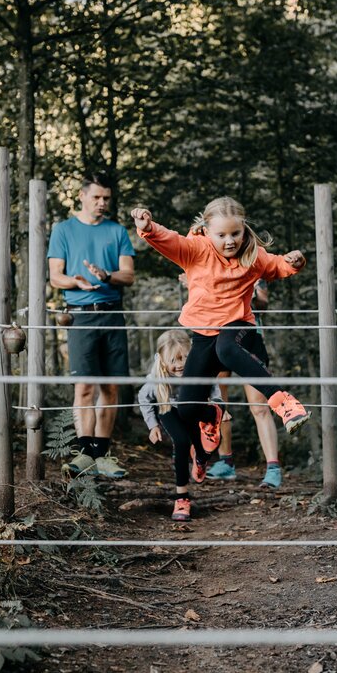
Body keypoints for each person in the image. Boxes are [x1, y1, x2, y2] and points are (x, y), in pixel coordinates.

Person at [130, 196, 309, 504]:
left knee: (226, 348)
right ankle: (205, 440)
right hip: (202, 335)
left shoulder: (253, 255)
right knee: (186, 408)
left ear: (244, 230)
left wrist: (293, 262)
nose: (229, 241)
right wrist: (147, 228)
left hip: (239, 328)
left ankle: (284, 401)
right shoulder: (196, 250)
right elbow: (168, 240)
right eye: (222, 235)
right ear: (207, 231)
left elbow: (277, 265)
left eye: (235, 234)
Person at [48, 172, 135, 475]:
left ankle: (102, 455)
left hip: (112, 312)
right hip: (80, 313)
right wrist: (75, 281)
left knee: (111, 387)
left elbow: (129, 274)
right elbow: (55, 275)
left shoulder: (117, 231)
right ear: (82, 196)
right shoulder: (63, 230)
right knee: (84, 386)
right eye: (96, 197)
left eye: (106, 199)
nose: (101, 203)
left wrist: (106, 276)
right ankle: (84, 455)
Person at [137, 330, 228, 521]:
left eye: (184, 358)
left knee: (201, 442)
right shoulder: (157, 379)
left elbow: (212, 386)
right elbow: (143, 397)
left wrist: (220, 405)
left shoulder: (198, 369)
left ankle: (201, 456)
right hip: (168, 408)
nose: (180, 365)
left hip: (194, 408)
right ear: (162, 360)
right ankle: (182, 498)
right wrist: (153, 426)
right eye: (174, 360)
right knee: (180, 442)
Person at [209, 279, 284, 489]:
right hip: (217, 335)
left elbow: (263, 304)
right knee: (219, 405)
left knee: (259, 407)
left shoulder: (255, 268)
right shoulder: (210, 264)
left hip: (250, 337)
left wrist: (251, 296)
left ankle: (273, 469)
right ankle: (226, 462)